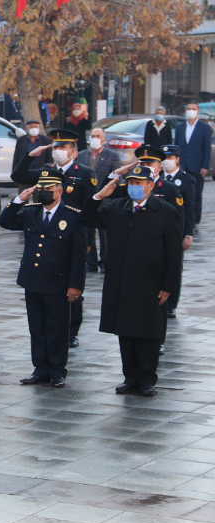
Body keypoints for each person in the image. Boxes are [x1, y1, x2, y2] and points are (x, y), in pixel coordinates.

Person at [80, 165, 182, 396]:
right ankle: (130, 377)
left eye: (139, 183)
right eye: (131, 183)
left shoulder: (164, 211)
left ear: (150, 185)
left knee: (148, 332)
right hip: (121, 280)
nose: (134, 187)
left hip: (151, 281)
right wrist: (98, 196)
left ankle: (147, 379)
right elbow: (86, 219)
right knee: (125, 330)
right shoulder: (117, 208)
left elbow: (174, 252)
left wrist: (168, 286)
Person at [0, 169, 86, 388]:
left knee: (57, 327)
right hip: (33, 280)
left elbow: (78, 255)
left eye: (49, 189)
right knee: (36, 326)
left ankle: (57, 369)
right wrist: (20, 199)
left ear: (59, 190)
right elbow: (5, 221)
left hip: (58, 281)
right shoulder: (31, 212)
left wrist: (75, 285)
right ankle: (40, 368)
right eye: (42, 188)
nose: (44, 192)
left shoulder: (73, 215)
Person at [11, 128, 97, 348]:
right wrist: (30, 156)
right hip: (49, 233)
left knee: (73, 283)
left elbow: (90, 211)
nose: (58, 151)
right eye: (56, 147)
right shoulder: (47, 169)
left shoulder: (84, 173)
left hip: (74, 234)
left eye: (63, 148)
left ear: (74, 152)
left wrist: (88, 241)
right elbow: (18, 176)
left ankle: (71, 330)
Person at [160, 144, 196, 318]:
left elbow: (189, 209)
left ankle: (171, 304)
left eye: (170, 158)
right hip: (158, 232)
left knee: (174, 266)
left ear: (177, 159)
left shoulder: (186, 180)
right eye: (164, 158)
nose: (166, 161)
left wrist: (188, 234)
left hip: (177, 231)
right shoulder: (156, 178)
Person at [77, 127, 120, 273]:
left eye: (98, 136)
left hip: (105, 200)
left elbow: (116, 177)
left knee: (104, 233)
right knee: (88, 231)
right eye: (93, 135)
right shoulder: (82, 155)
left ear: (103, 139)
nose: (95, 138)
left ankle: (105, 260)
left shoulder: (111, 156)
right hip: (87, 200)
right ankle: (91, 261)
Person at [175, 101, 211, 232]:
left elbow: (206, 149)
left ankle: (195, 221)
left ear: (198, 110)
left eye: (193, 109)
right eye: (189, 109)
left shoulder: (204, 128)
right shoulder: (180, 128)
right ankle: (181, 218)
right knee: (180, 194)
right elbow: (176, 147)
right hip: (183, 166)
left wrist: (205, 166)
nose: (191, 111)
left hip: (197, 166)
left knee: (195, 195)